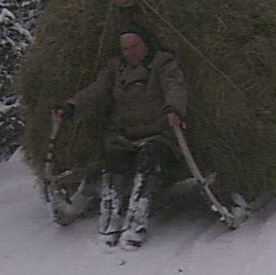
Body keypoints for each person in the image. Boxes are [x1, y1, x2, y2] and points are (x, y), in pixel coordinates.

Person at [53, 25, 188, 248]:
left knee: (148, 161)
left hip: (157, 133)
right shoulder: (115, 69)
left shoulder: (163, 64)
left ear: (146, 44)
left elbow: (175, 86)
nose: (130, 52)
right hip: (123, 134)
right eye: (125, 48)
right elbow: (96, 90)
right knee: (113, 161)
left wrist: (174, 109)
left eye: (135, 46)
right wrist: (72, 106)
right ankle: (110, 223)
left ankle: (136, 223)